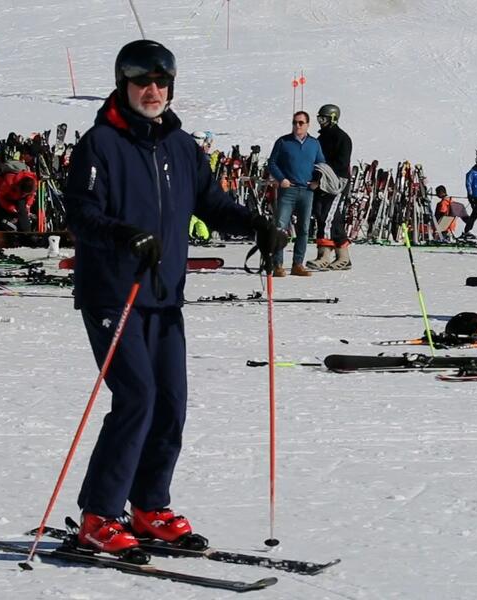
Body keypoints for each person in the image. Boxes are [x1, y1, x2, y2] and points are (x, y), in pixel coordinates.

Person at [62, 39, 287, 554]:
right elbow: (82, 213)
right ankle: (99, 515)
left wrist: (257, 224)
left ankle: (148, 506)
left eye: (162, 83)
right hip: (112, 294)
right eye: (144, 82)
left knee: (170, 402)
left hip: (164, 296)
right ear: (125, 85)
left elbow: (213, 202)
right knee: (137, 397)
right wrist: (123, 236)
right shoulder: (100, 144)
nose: (153, 91)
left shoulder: (182, 147)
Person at [267, 110, 325, 277]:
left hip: (306, 192)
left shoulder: (314, 144)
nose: (297, 126)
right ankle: (277, 264)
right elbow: (272, 163)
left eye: (301, 123)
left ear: (307, 125)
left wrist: (317, 181)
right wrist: (281, 178)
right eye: (295, 122)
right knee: (280, 227)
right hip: (288, 190)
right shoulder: (283, 142)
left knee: (304, 229)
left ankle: (297, 264)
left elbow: (321, 164)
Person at [306, 103, 353, 270]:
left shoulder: (342, 138)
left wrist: (322, 170)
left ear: (333, 118)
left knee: (328, 217)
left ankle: (324, 255)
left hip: (336, 184)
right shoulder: (321, 138)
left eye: (323, 118)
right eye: (319, 118)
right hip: (321, 183)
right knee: (323, 216)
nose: (321, 122)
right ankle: (343, 257)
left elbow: (340, 164)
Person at [0, 161, 38, 232]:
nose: (25, 194)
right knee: (0, 213)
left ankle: (26, 233)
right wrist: (10, 208)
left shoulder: (32, 182)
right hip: (5, 195)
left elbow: (31, 195)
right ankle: (0, 230)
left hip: (17, 197)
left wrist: (28, 205)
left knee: (23, 212)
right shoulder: (8, 182)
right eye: (24, 193)